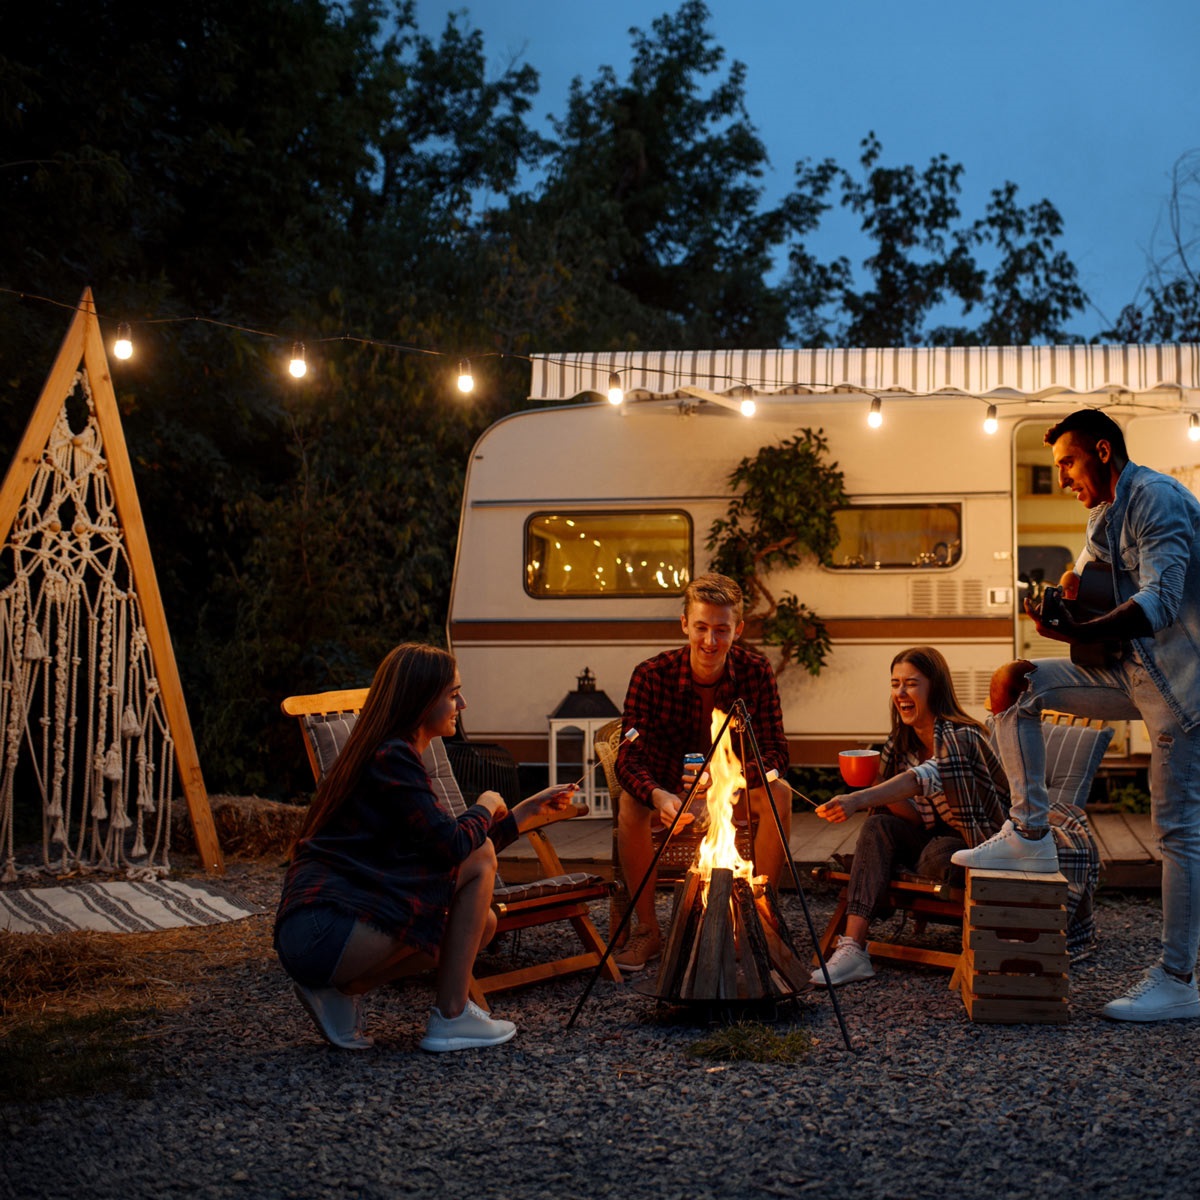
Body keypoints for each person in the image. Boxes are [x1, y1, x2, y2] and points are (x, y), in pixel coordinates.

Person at [954, 408, 1200, 1021]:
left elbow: (1161, 602)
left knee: (1175, 830)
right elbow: (1087, 569)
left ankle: (1178, 979)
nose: (1061, 475)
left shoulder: (1156, 499)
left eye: (1066, 462)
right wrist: (1068, 592)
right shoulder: (1103, 511)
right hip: (1130, 672)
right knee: (1016, 685)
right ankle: (1031, 835)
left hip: (1184, 684)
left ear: (1102, 450)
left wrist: (1085, 623)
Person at [274, 643, 582, 1052]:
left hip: (321, 932)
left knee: (483, 925)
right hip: (323, 927)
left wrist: (524, 812)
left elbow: (447, 849)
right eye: (454, 694)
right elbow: (456, 847)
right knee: (478, 862)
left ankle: (338, 993)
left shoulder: (390, 753)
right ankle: (451, 1017)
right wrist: (487, 803)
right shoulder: (391, 757)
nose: (463, 703)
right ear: (421, 699)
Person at [811, 646, 1099, 987]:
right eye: (895, 683)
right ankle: (854, 948)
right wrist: (873, 781)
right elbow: (915, 819)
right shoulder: (898, 746)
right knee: (877, 826)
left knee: (936, 856)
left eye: (911, 684)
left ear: (935, 687)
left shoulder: (964, 736)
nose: (900, 692)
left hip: (977, 840)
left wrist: (859, 797)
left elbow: (924, 777)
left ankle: (881, 885)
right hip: (931, 838)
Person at [612, 573, 791, 971]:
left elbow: (777, 751)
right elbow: (627, 759)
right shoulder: (651, 675)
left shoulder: (755, 672)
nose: (710, 641)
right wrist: (659, 796)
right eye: (702, 628)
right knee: (630, 804)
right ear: (684, 625)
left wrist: (733, 779)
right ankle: (647, 930)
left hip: (735, 789)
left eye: (722, 630)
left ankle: (763, 918)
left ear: (738, 630)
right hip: (671, 795)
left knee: (781, 793)